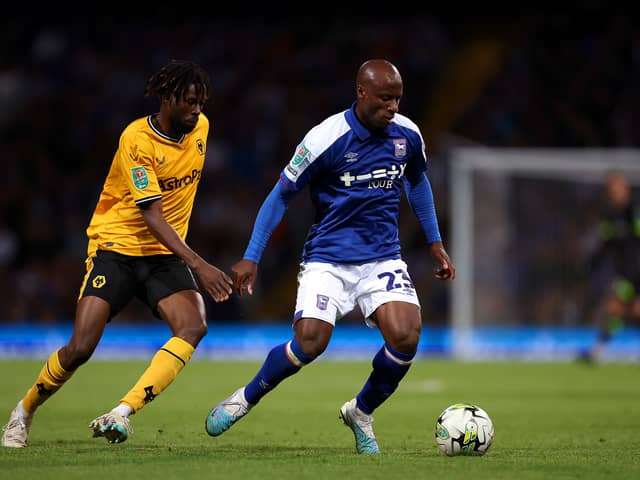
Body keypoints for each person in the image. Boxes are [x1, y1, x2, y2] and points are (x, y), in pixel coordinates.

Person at [204, 59, 455, 454]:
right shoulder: (325, 138)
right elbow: (281, 194)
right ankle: (245, 398)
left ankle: (361, 412)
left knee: (406, 336)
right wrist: (252, 256)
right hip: (328, 259)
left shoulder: (407, 134)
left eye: (398, 99)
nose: (393, 107)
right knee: (309, 342)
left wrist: (435, 241)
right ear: (361, 93)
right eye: (385, 99)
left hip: (382, 258)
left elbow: (417, 181)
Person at [1, 60, 233, 448]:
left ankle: (121, 413)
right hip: (117, 248)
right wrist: (200, 263)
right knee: (80, 348)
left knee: (193, 327)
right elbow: (151, 214)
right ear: (167, 97)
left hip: (163, 255)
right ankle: (22, 412)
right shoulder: (136, 139)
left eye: (201, 102)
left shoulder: (202, 129)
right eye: (190, 102)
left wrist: (185, 258)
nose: (197, 110)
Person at [581, 170, 640, 362]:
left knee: (628, 310)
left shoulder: (634, 211)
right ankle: (597, 351)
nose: (614, 192)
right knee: (615, 309)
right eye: (610, 188)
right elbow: (605, 247)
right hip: (627, 274)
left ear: (625, 189)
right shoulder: (610, 218)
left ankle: (597, 350)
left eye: (617, 187)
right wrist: (591, 264)